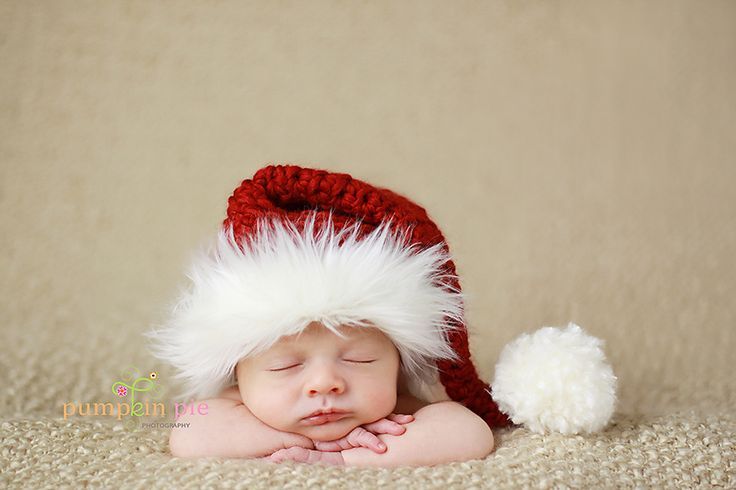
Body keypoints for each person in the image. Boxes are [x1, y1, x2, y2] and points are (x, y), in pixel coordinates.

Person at [147, 164, 616, 466]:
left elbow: (469, 435)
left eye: (360, 360)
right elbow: (190, 436)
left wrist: (345, 460)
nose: (325, 383)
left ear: (397, 364)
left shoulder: (398, 407)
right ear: (238, 371)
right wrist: (313, 441)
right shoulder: (234, 405)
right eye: (286, 365)